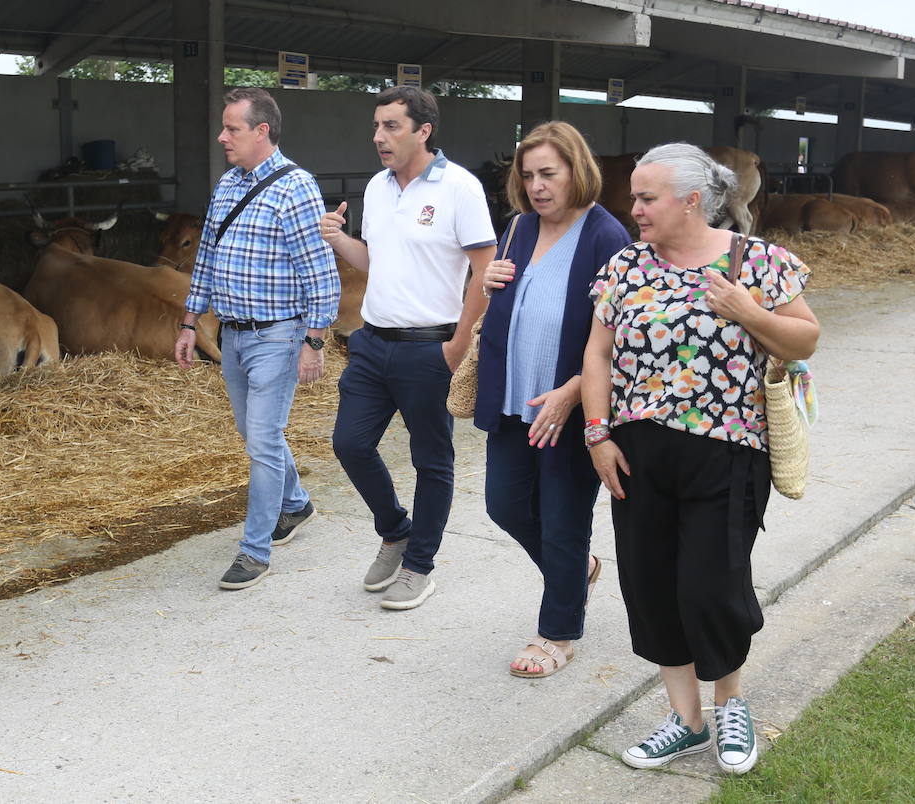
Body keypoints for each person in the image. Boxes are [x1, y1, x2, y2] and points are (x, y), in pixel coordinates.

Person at [581, 143, 819, 775]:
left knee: (711, 584)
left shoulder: (756, 262)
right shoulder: (626, 267)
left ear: (691, 201)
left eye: (645, 198)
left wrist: (749, 311)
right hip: (636, 453)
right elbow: (598, 354)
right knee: (651, 581)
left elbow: (806, 339)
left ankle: (729, 703)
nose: (633, 209)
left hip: (728, 452)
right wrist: (598, 434)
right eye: (633, 196)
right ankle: (684, 719)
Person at [320, 86, 496, 611]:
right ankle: (395, 530)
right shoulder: (377, 187)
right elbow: (376, 261)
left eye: (392, 126)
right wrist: (336, 238)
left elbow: (484, 271)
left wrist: (459, 345)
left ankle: (420, 564)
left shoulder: (460, 188)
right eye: (376, 126)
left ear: (424, 131)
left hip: (430, 347)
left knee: (432, 461)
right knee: (349, 444)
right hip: (372, 344)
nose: (379, 137)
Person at [474, 121, 631, 677]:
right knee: (505, 504)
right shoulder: (518, 228)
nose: (538, 186)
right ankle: (577, 570)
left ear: (576, 171)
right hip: (516, 399)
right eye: (529, 175)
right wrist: (488, 282)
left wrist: (572, 395)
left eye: (549, 173)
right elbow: (505, 305)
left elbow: (620, 335)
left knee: (563, 519)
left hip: (569, 405)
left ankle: (557, 633)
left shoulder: (605, 236)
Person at [176, 87, 341, 591]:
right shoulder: (227, 184)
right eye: (224, 128)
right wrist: (189, 322)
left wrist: (314, 341)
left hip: (277, 334)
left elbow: (321, 273)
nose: (222, 137)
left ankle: (255, 549)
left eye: (233, 129)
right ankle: (295, 504)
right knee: (254, 434)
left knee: (263, 440)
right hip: (233, 334)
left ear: (262, 131)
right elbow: (206, 257)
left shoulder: (296, 188)